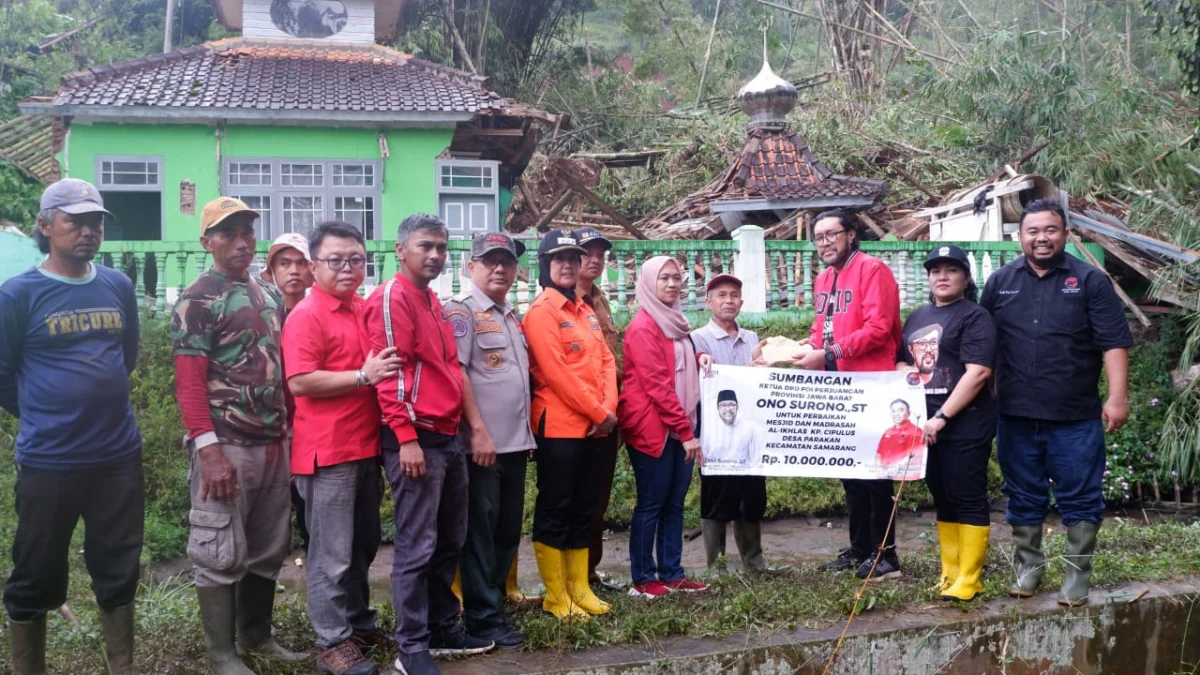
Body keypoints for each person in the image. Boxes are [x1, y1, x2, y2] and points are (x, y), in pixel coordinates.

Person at [0, 179, 142, 675]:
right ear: (45, 225)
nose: (88, 231)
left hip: (117, 458)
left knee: (119, 565)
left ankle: (120, 665)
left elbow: (126, 358)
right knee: (36, 568)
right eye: (75, 221)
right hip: (49, 461)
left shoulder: (117, 285)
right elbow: (3, 375)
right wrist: (49, 414)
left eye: (96, 221)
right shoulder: (18, 295)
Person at [172, 197, 306, 675]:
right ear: (207, 241)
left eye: (248, 232)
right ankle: (222, 654)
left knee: (269, 547)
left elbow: (281, 368)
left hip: (273, 441)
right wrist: (208, 451)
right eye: (229, 233)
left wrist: (291, 431)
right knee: (219, 549)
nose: (242, 242)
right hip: (225, 443)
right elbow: (188, 382)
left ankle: (258, 636)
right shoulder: (198, 299)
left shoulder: (267, 293)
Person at [981, 199, 1132, 607]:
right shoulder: (1000, 282)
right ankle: (1028, 570)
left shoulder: (1090, 281)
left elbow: (1114, 343)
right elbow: (982, 344)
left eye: (1050, 230)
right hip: (1014, 414)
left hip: (1075, 415)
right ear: (1020, 237)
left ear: (1065, 234)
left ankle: (1076, 576)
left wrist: (1117, 399)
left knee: (1080, 497)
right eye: (1033, 231)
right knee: (1023, 494)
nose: (1041, 238)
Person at [363, 214, 493, 675]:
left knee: (449, 539)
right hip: (415, 440)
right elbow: (390, 373)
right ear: (401, 250)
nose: (435, 255)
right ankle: (411, 645)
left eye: (441, 247)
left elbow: (448, 370)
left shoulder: (433, 301)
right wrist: (405, 439)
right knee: (417, 545)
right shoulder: (393, 299)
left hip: (448, 435)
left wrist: (469, 427)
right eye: (425, 246)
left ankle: (443, 626)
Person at [283, 221, 401, 674]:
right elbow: (300, 381)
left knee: (363, 547)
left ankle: (358, 623)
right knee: (331, 554)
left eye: (355, 259)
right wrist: (361, 377)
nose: (347, 268)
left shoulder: (363, 309)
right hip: (327, 452)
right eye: (336, 260)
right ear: (314, 266)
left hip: (365, 446)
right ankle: (331, 642)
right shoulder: (306, 316)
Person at [785, 209, 903, 582]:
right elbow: (823, 328)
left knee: (875, 474)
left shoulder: (873, 270)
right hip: (836, 386)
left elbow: (879, 329)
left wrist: (829, 352)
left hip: (870, 384)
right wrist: (801, 346)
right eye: (818, 237)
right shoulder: (824, 279)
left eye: (831, 234)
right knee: (849, 471)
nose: (824, 242)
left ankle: (886, 556)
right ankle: (860, 548)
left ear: (851, 234)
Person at [523, 229, 618, 620]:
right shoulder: (542, 313)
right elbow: (556, 374)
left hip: (595, 427)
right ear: (545, 266)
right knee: (556, 507)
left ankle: (580, 588)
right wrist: (600, 413)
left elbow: (607, 361)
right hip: (560, 427)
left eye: (573, 259)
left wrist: (607, 411)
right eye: (559, 259)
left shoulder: (584, 308)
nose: (568, 265)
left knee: (584, 506)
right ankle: (555, 594)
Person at [445, 232, 534, 649]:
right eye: (490, 261)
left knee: (506, 531)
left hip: (515, 444)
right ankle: (481, 617)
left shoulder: (511, 315)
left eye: (507, 262)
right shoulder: (461, 314)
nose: (500, 268)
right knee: (479, 534)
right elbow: (458, 373)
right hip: (483, 446)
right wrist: (476, 431)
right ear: (471, 267)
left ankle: (493, 604)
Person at [897, 244, 996, 602]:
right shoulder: (917, 317)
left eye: (951, 270)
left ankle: (970, 579)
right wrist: (907, 378)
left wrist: (942, 417)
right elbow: (901, 364)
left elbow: (979, 372)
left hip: (964, 422)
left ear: (965, 277)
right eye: (935, 270)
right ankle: (949, 573)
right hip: (925, 426)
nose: (942, 276)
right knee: (942, 495)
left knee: (966, 495)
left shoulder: (975, 317)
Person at [620, 256, 711, 599]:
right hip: (653, 429)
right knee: (652, 503)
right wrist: (686, 432)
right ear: (648, 284)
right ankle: (643, 578)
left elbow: (682, 361)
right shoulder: (644, 327)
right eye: (664, 279)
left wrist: (700, 355)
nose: (672, 284)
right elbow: (658, 385)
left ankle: (671, 573)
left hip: (678, 426)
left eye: (676, 278)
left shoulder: (677, 323)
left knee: (674, 502)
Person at [691, 274, 784, 575]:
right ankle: (716, 566)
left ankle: (754, 563)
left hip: (749, 432)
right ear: (709, 302)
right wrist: (746, 370)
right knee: (716, 495)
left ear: (741, 303)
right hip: (715, 434)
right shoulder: (698, 339)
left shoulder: (753, 340)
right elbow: (707, 382)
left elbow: (758, 385)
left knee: (751, 496)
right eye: (721, 295)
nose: (728, 300)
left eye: (734, 295)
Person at [574, 226, 626, 591]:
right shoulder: (559, 305)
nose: (595, 260)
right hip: (578, 420)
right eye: (586, 253)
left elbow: (612, 361)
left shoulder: (600, 300)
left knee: (598, 500)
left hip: (609, 416)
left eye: (600, 255)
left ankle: (590, 573)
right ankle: (570, 579)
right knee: (575, 500)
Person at [260, 232, 317, 551]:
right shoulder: (258, 317)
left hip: (309, 428)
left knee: (311, 511)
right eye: (284, 263)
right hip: (268, 429)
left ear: (312, 269)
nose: (293, 271)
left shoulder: (317, 314)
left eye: (299, 263)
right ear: (269, 272)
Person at [261, 232, 315, 312]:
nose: (294, 271)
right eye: (284, 263)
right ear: (272, 270)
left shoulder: (322, 313)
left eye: (302, 263)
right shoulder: (261, 314)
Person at [874, 399, 924, 468]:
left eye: (900, 410)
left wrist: (892, 470)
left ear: (909, 413)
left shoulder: (917, 432)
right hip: (882, 475)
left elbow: (915, 456)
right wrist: (878, 470)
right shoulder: (888, 431)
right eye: (893, 411)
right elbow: (878, 454)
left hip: (902, 476)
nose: (896, 414)